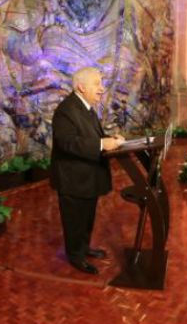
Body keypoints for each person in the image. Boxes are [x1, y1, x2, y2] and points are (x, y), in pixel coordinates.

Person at [50, 67, 125, 274]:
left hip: (87, 177)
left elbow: (89, 136)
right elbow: (68, 143)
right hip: (73, 179)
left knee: (86, 218)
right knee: (75, 220)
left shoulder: (87, 107)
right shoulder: (66, 110)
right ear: (81, 87)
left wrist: (111, 139)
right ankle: (76, 257)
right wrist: (102, 144)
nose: (102, 88)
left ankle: (83, 248)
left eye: (101, 83)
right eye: (97, 84)